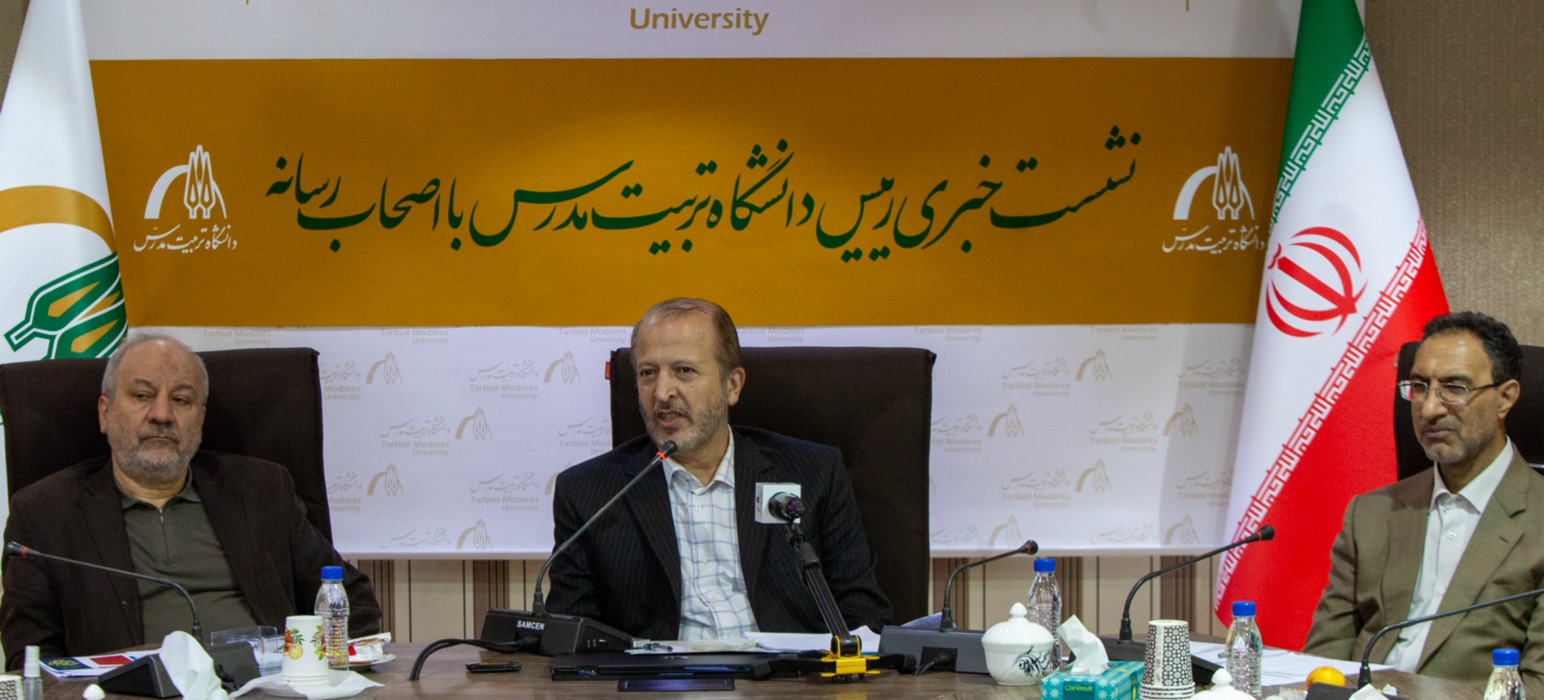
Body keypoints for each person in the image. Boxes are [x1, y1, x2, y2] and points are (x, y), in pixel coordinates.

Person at [0, 331, 381, 669]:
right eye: (142, 396)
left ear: (200, 419)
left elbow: (351, 600)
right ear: (105, 412)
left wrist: (314, 674)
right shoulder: (45, 513)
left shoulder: (261, 490)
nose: (162, 415)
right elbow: (31, 655)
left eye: (181, 400)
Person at [547, 298, 891, 640]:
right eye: (648, 373)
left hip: (789, 670)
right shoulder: (589, 493)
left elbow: (864, 619)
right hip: (658, 673)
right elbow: (572, 639)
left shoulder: (814, 473)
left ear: (732, 385)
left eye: (684, 370)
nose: (662, 393)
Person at [1303, 311, 1544, 694]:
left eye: (1454, 388)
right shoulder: (1371, 513)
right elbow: (1322, 664)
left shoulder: (1538, 520)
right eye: (1419, 386)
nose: (1429, 409)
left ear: (1506, 397)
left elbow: (1537, 686)